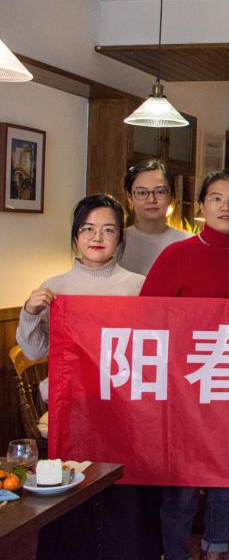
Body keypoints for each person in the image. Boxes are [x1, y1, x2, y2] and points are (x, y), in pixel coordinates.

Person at [17, 194, 150, 560]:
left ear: (120, 237)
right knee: (69, 494)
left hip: (122, 409)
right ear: (75, 235)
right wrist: (29, 312)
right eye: (88, 229)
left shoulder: (138, 286)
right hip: (71, 408)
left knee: (122, 493)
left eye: (108, 230)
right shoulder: (55, 286)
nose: (97, 237)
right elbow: (33, 350)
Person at [142, 170, 229, 560]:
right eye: (216, 198)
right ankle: (175, 553)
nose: (225, 207)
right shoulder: (177, 255)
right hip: (184, 388)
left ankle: (217, 548)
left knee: (228, 477)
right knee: (182, 485)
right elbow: (147, 319)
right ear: (201, 206)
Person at [119, 159, 191, 274]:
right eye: (142, 192)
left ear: (172, 196)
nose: (151, 200)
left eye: (160, 192)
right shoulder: (117, 242)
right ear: (130, 198)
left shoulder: (189, 243)